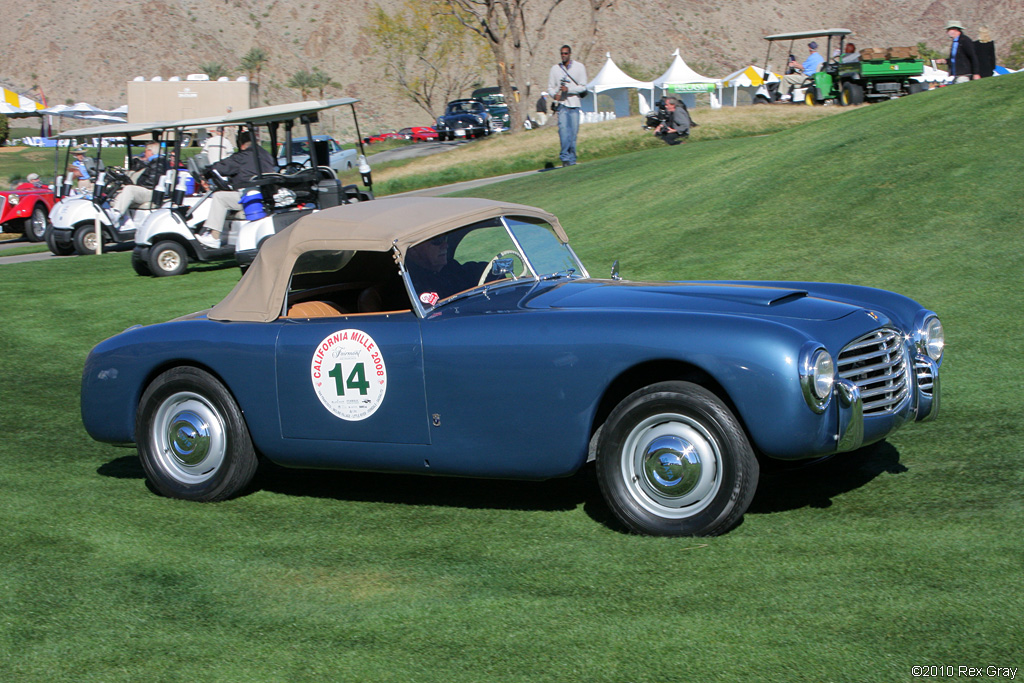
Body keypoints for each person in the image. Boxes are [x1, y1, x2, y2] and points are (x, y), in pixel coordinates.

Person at [199, 129, 276, 246]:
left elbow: (222, 167)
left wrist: (206, 172)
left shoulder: (243, 156)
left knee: (219, 197)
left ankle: (214, 237)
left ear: (242, 144)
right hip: (265, 195)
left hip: (251, 198)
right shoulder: (266, 155)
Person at [405, 234, 488, 305]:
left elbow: (474, 271)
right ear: (413, 250)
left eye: (445, 239)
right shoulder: (409, 284)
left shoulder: (452, 267)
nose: (445, 245)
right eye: (437, 241)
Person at [547, 45, 587, 166]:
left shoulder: (579, 67)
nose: (564, 56)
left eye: (566, 53)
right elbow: (550, 87)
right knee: (563, 131)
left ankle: (572, 158)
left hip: (574, 104)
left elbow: (583, 86)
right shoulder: (555, 69)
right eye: (562, 54)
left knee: (573, 133)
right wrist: (555, 95)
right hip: (563, 105)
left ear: (570, 54)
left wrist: (569, 89)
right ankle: (564, 157)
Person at [111, 142, 169, 224]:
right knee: (121, 193)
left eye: (145, 151)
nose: (144, 153)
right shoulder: (155, 162)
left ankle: (116, 215)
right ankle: (121, 218)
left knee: (129, 189)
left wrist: (137, 184)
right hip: (150, 191)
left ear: (150, 151)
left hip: (152, 193)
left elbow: (152, 182)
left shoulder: (158, 163)